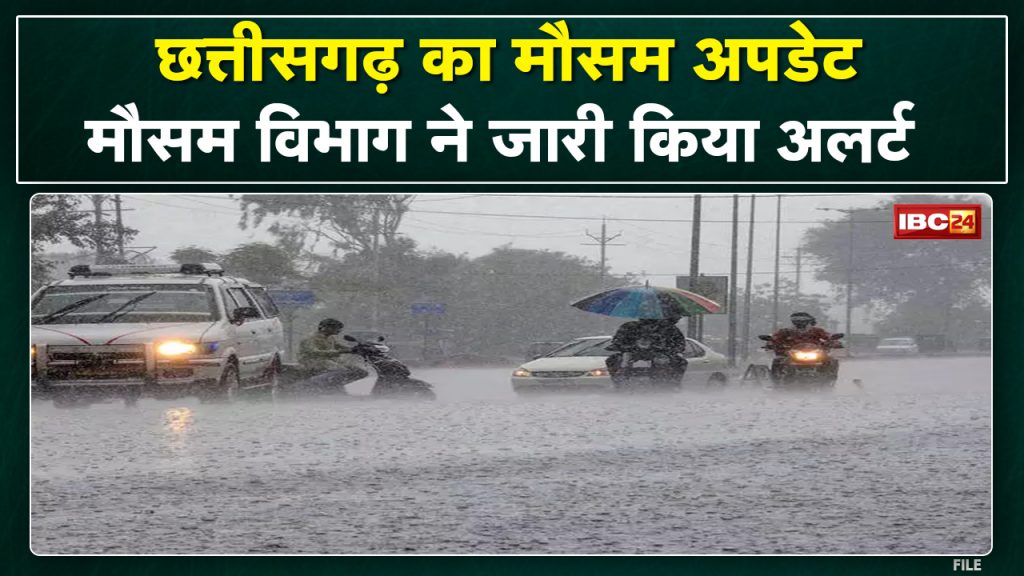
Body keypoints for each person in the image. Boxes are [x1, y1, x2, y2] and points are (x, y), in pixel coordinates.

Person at [606, 314, 689, 381]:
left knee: (680, 362)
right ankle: (618, 380)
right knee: (612, 360)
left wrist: (668, 350)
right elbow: (617, 341)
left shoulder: (670, 329)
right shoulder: (629, 327)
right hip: (632, 353)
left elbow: (680, 344)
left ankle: (673, 382)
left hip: (661, 355)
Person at [297, 318, 368, 391]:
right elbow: (314, 353)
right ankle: (309, 385)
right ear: (325, 327)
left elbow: (338, 346)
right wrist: (340, 352)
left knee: (359, 371)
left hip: (328, 361)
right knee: (341, 370)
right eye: (336, 328)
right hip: (312, 361)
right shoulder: (310, 338)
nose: (339, 330)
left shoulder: (330, 337)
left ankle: (333, 385)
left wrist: (354, 349)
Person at [768, 312, 839, 379]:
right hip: (789, 353)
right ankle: (777, 380)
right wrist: (771, 343)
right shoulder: (785, 331)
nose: (800, 323)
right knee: (778, 361)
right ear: (793, 322)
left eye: (803, 321)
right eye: (797, 321)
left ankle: (829, 379)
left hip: (816, 353)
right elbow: (775, 338)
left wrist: (834, 342)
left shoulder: (817, 331)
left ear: (809, 321)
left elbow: (829, 337)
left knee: (831, 360)